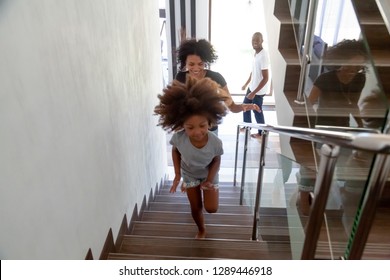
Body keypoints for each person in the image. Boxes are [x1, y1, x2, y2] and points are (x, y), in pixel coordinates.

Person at [154, 77, 228, 239]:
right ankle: (201, 229)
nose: (197, 132)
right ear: (181, 125)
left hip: (209, 174)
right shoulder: (179, 138)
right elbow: (175, 151)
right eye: (190, 127)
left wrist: (209, 180)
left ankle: (209, 189)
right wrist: (177, 175)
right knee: (195, 207)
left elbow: (217, 160)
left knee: (212, 208)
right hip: (190, 175)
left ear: (210, 122)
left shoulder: (215, 142)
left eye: (202, 125)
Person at [175, 38, 260, 134]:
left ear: (205, 61)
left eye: (200, 64)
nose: (196, 68)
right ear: (185, 62)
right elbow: (175, 105)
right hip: (188, 129)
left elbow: (231, 106)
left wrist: (244, 107)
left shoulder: (216, 78)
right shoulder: (180, 78)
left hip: (210, 130)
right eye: (191, 64)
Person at [241, 32, 270, 139]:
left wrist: (253, 93)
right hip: (252, 87)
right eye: (253, 40)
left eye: (257, 40)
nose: (255, 42)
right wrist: (246, 84)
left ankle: (261, 133)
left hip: (258, 91)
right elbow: (253, 72)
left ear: (262, 41)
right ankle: (247, 126)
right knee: (245, 106)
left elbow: (266, 78)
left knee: (257, 111)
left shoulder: (263, 56)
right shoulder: (256, 54)